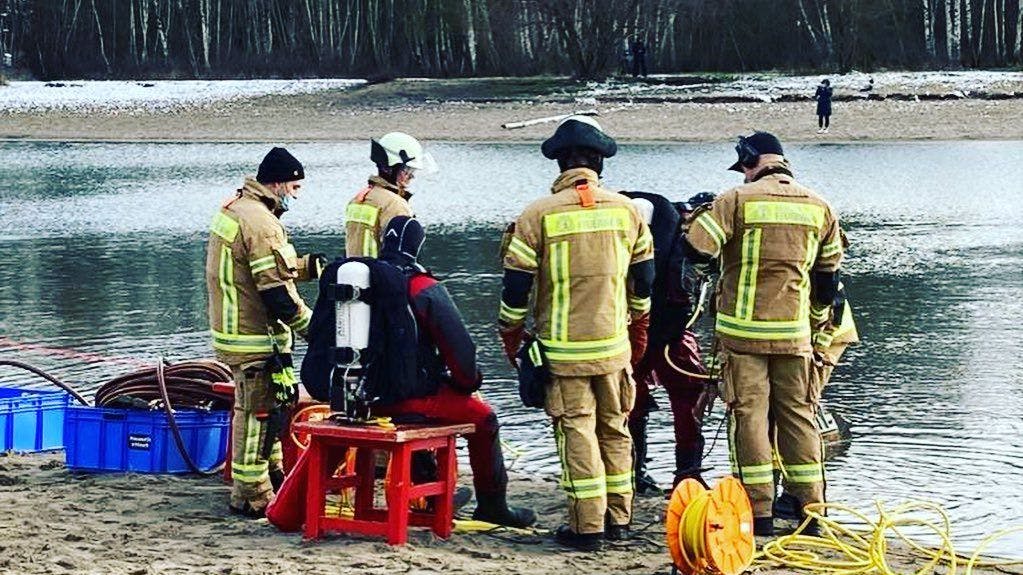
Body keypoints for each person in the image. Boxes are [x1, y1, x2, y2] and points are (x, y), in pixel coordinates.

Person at [499, 116, 654, 550]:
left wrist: (511, 334)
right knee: (616, 429)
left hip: (563, 352)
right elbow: (644, 284)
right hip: (614, 348)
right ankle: (620, 518)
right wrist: (637, 330)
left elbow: (515, 289)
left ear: (560, 164)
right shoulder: (628, 212)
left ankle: (587, 527)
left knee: (578, 432)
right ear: (600, 163)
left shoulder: (536, 215)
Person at [683, 131, 843, 537]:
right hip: (796, 336)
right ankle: (812, 511)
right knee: (799, 417)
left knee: (750, 418)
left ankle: (759, 514)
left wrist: (707, 273)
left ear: (750, 164)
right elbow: (828, 279)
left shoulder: (736, 200)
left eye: (743, 168)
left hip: (743, 336)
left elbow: (697, 250)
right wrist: (815, 320)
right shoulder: (819, 205)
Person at [205, 147, 321, 518]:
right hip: (255, 336)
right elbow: (275, 293)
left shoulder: (236, 208)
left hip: (233, 330)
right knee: (256, 415)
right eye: (295, 185)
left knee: (269, 409)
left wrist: (305, 267)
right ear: (277, 182)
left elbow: (254, 267)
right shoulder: (262, 222)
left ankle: (271, 478)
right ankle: (253, 496)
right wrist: (315, 331)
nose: (296, 194)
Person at [620, 191, 713, 495]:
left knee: (631, 400)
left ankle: (634, 473)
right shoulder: (671, 229)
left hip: (634, 332)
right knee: (687, 397)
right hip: (667, 333)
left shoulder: (628, 229)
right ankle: (687, 474)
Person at [344, 132, 435, 258]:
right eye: (407, 170)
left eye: (412, 171)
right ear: (389, 168)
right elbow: (402, 255)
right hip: (381, 275)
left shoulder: (358, 199)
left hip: (352, 273)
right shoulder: (395, 205)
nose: (411, 176)